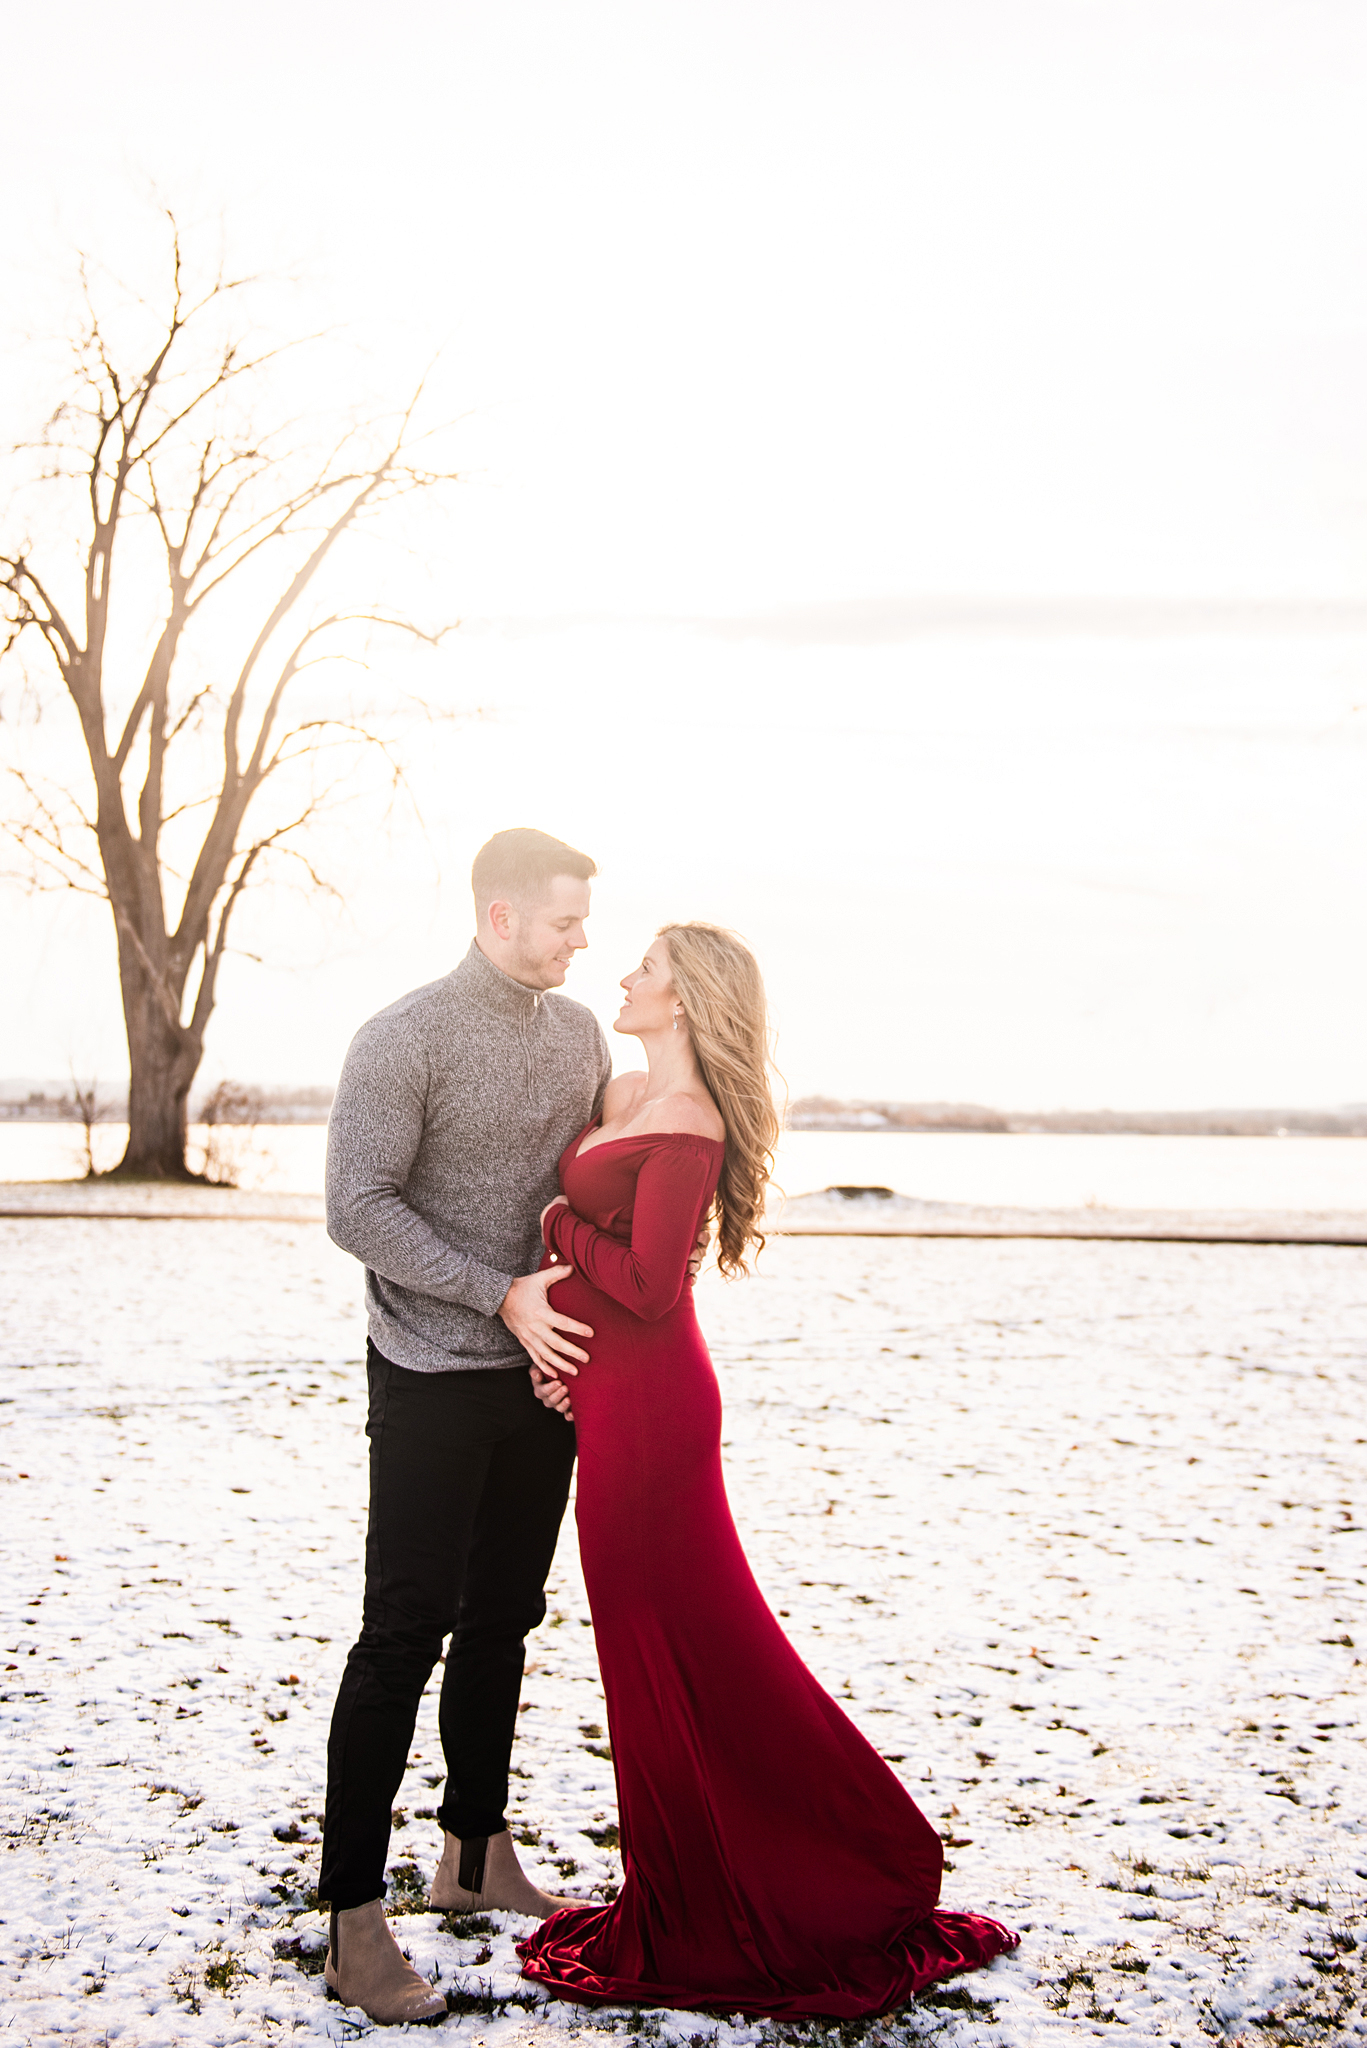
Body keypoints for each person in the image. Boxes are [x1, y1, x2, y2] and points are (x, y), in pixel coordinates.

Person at [517, 923, 1018, 2017]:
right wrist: (564, 1350)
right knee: (648, 1652)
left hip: (657, 1418)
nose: (625, 975)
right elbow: (606, 1271)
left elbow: (651, 1284)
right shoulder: (619, 1099)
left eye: (645, 966)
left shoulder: (688, 1124)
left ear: (686, 998)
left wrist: (557, 1223)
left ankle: (847, 1858)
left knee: (689, 1645)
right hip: (614, 1398)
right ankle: (683, 1881)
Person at [318, 827, 611, 2025]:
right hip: (430, 1370)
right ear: (498, 918)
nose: (581, 938)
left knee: (504, 1620)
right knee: (404, 1632)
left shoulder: (582, 1035)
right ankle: (350, 1917)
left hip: (540, 1381)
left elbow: (589, 1193)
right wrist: (497, 1295)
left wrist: (565, 1335)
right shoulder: (403, 1037)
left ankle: (473, 1854)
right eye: (562, 920)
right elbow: (354, 1206)